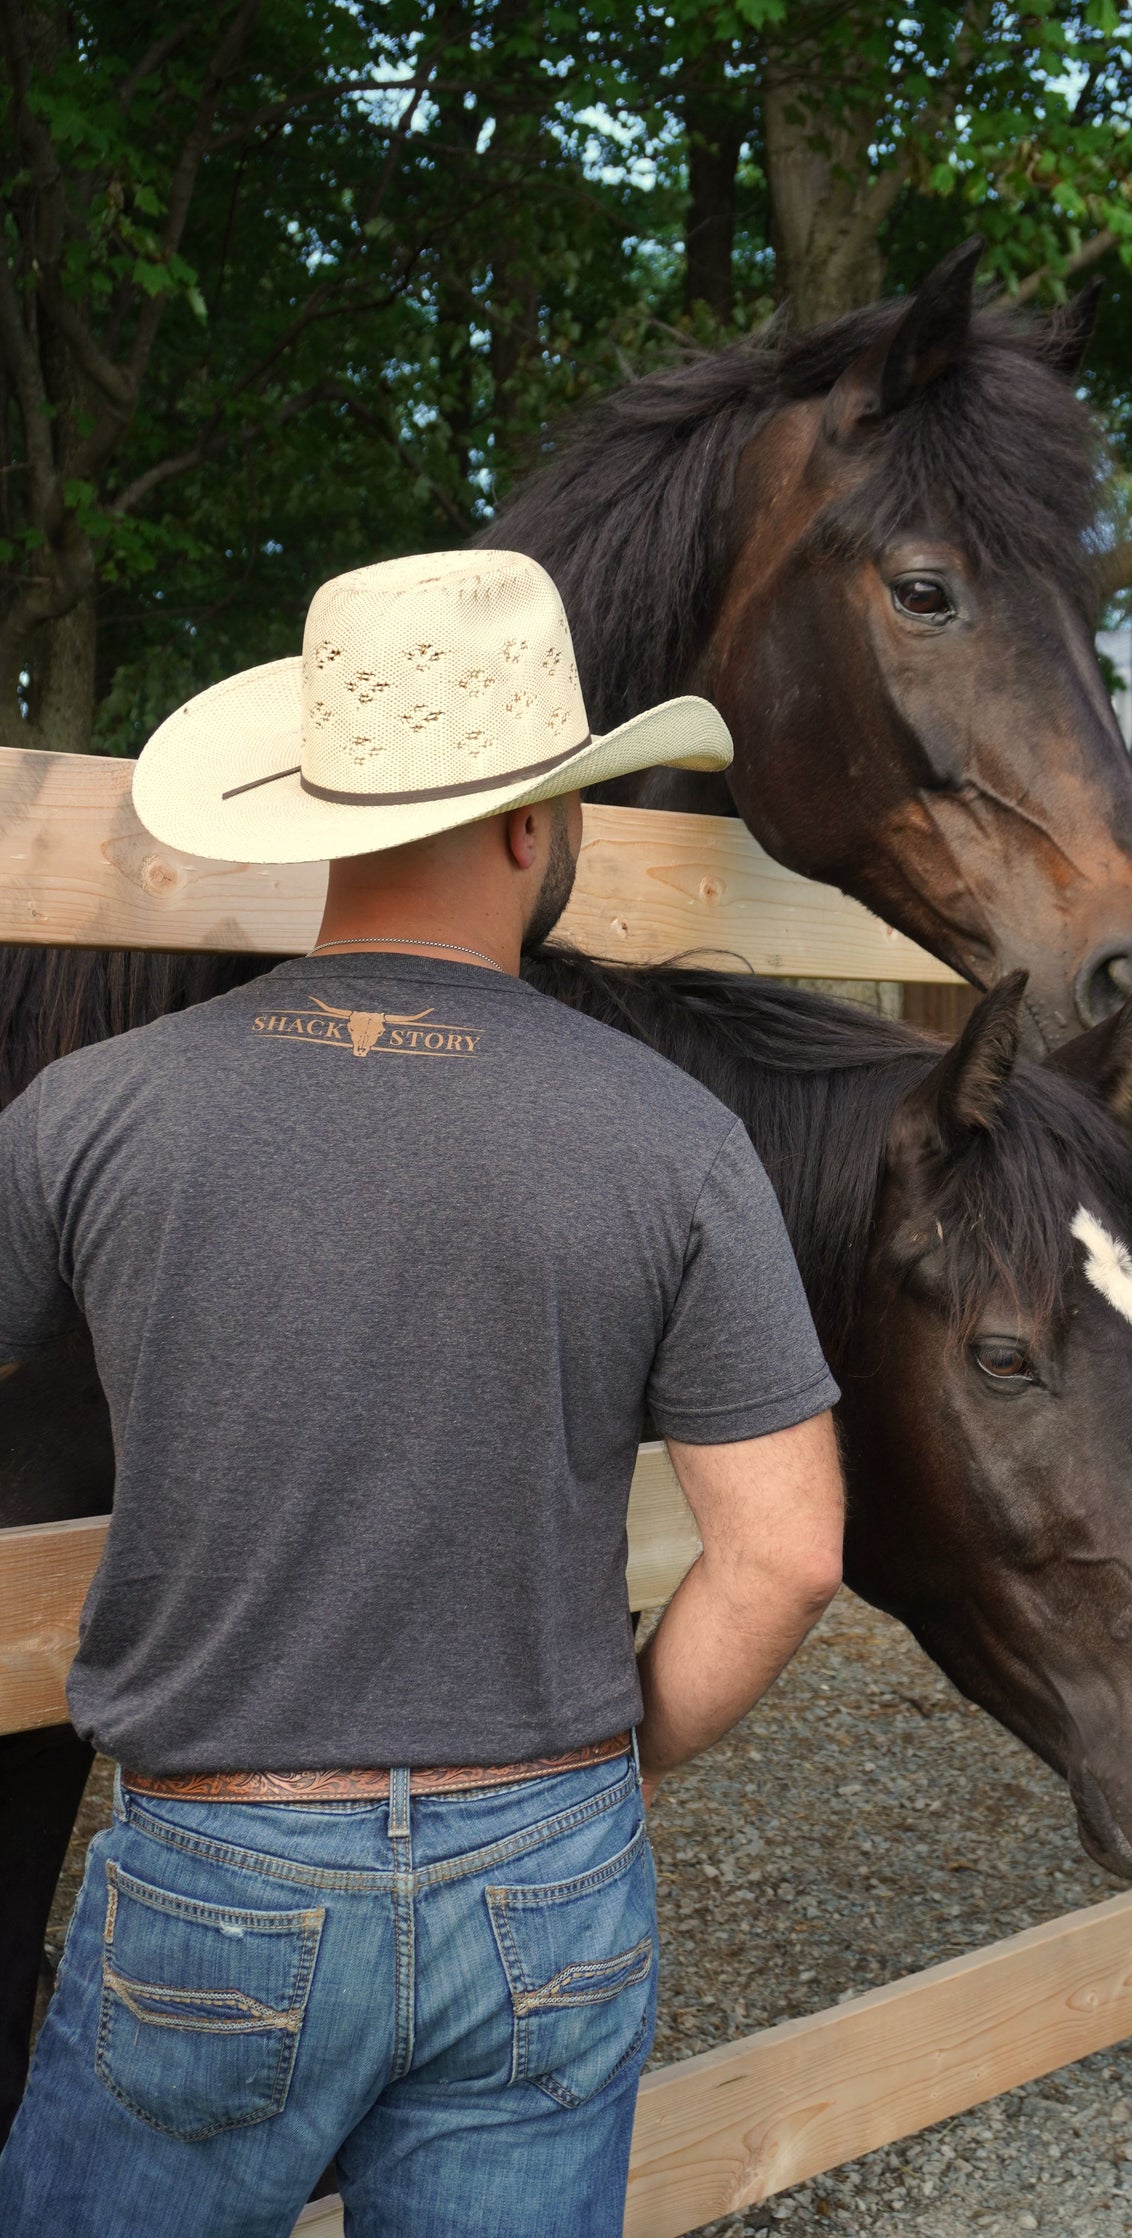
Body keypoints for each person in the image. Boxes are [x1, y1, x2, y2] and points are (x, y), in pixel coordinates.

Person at [0, 551, 846, 2237]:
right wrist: (612, 1769)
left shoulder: (92, 1111)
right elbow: (788, 1553)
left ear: (316, 811)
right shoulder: (676, 1140)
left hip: (217, 1868)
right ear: (536, 826)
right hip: (550, 1866)